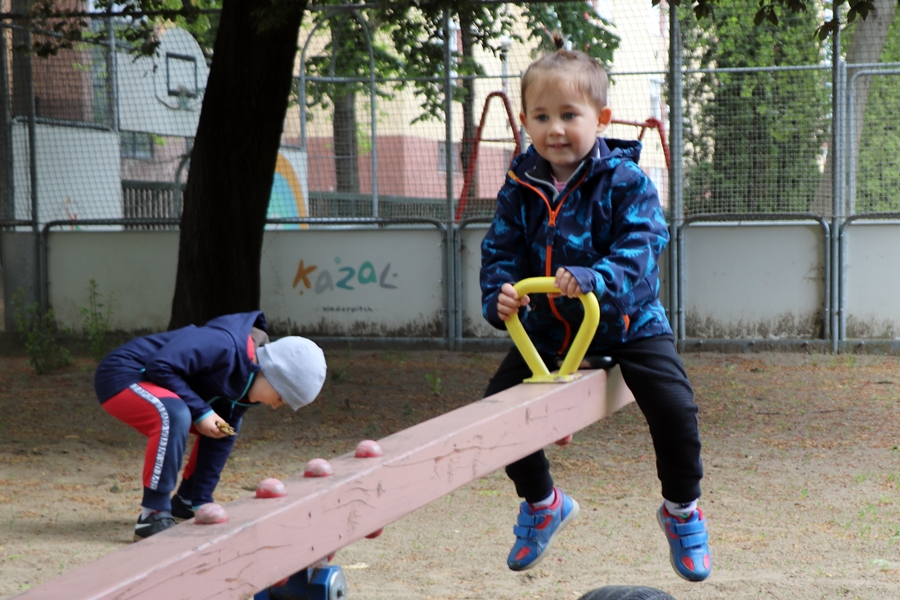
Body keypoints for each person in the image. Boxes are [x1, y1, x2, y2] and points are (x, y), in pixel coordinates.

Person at [479, 34, 710, 582]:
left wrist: (594, 279)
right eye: (541, 116)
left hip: (628, 323)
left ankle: (682, 509)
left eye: (569, 114)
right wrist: (500, 295)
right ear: (526, 123)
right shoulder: (519, 187)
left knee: (675, 407)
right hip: (550, 331)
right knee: (497, 412)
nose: (554, 128)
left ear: (600, 117)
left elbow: (642, 247)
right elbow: (500, 252)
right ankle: (542, 502)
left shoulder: (625, 181)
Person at [94, 310, 327, 541]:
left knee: (224, 430)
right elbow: (160, 366)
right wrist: (202, 411)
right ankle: (153, 514)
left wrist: (202, 502)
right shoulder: (223, 344)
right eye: (281, 398)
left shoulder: (244, 389)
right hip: (125, 373)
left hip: (160, 383)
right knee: (175, 414)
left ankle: (186, 500)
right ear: (273, 375)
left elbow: (221, 439)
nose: (276, 406)